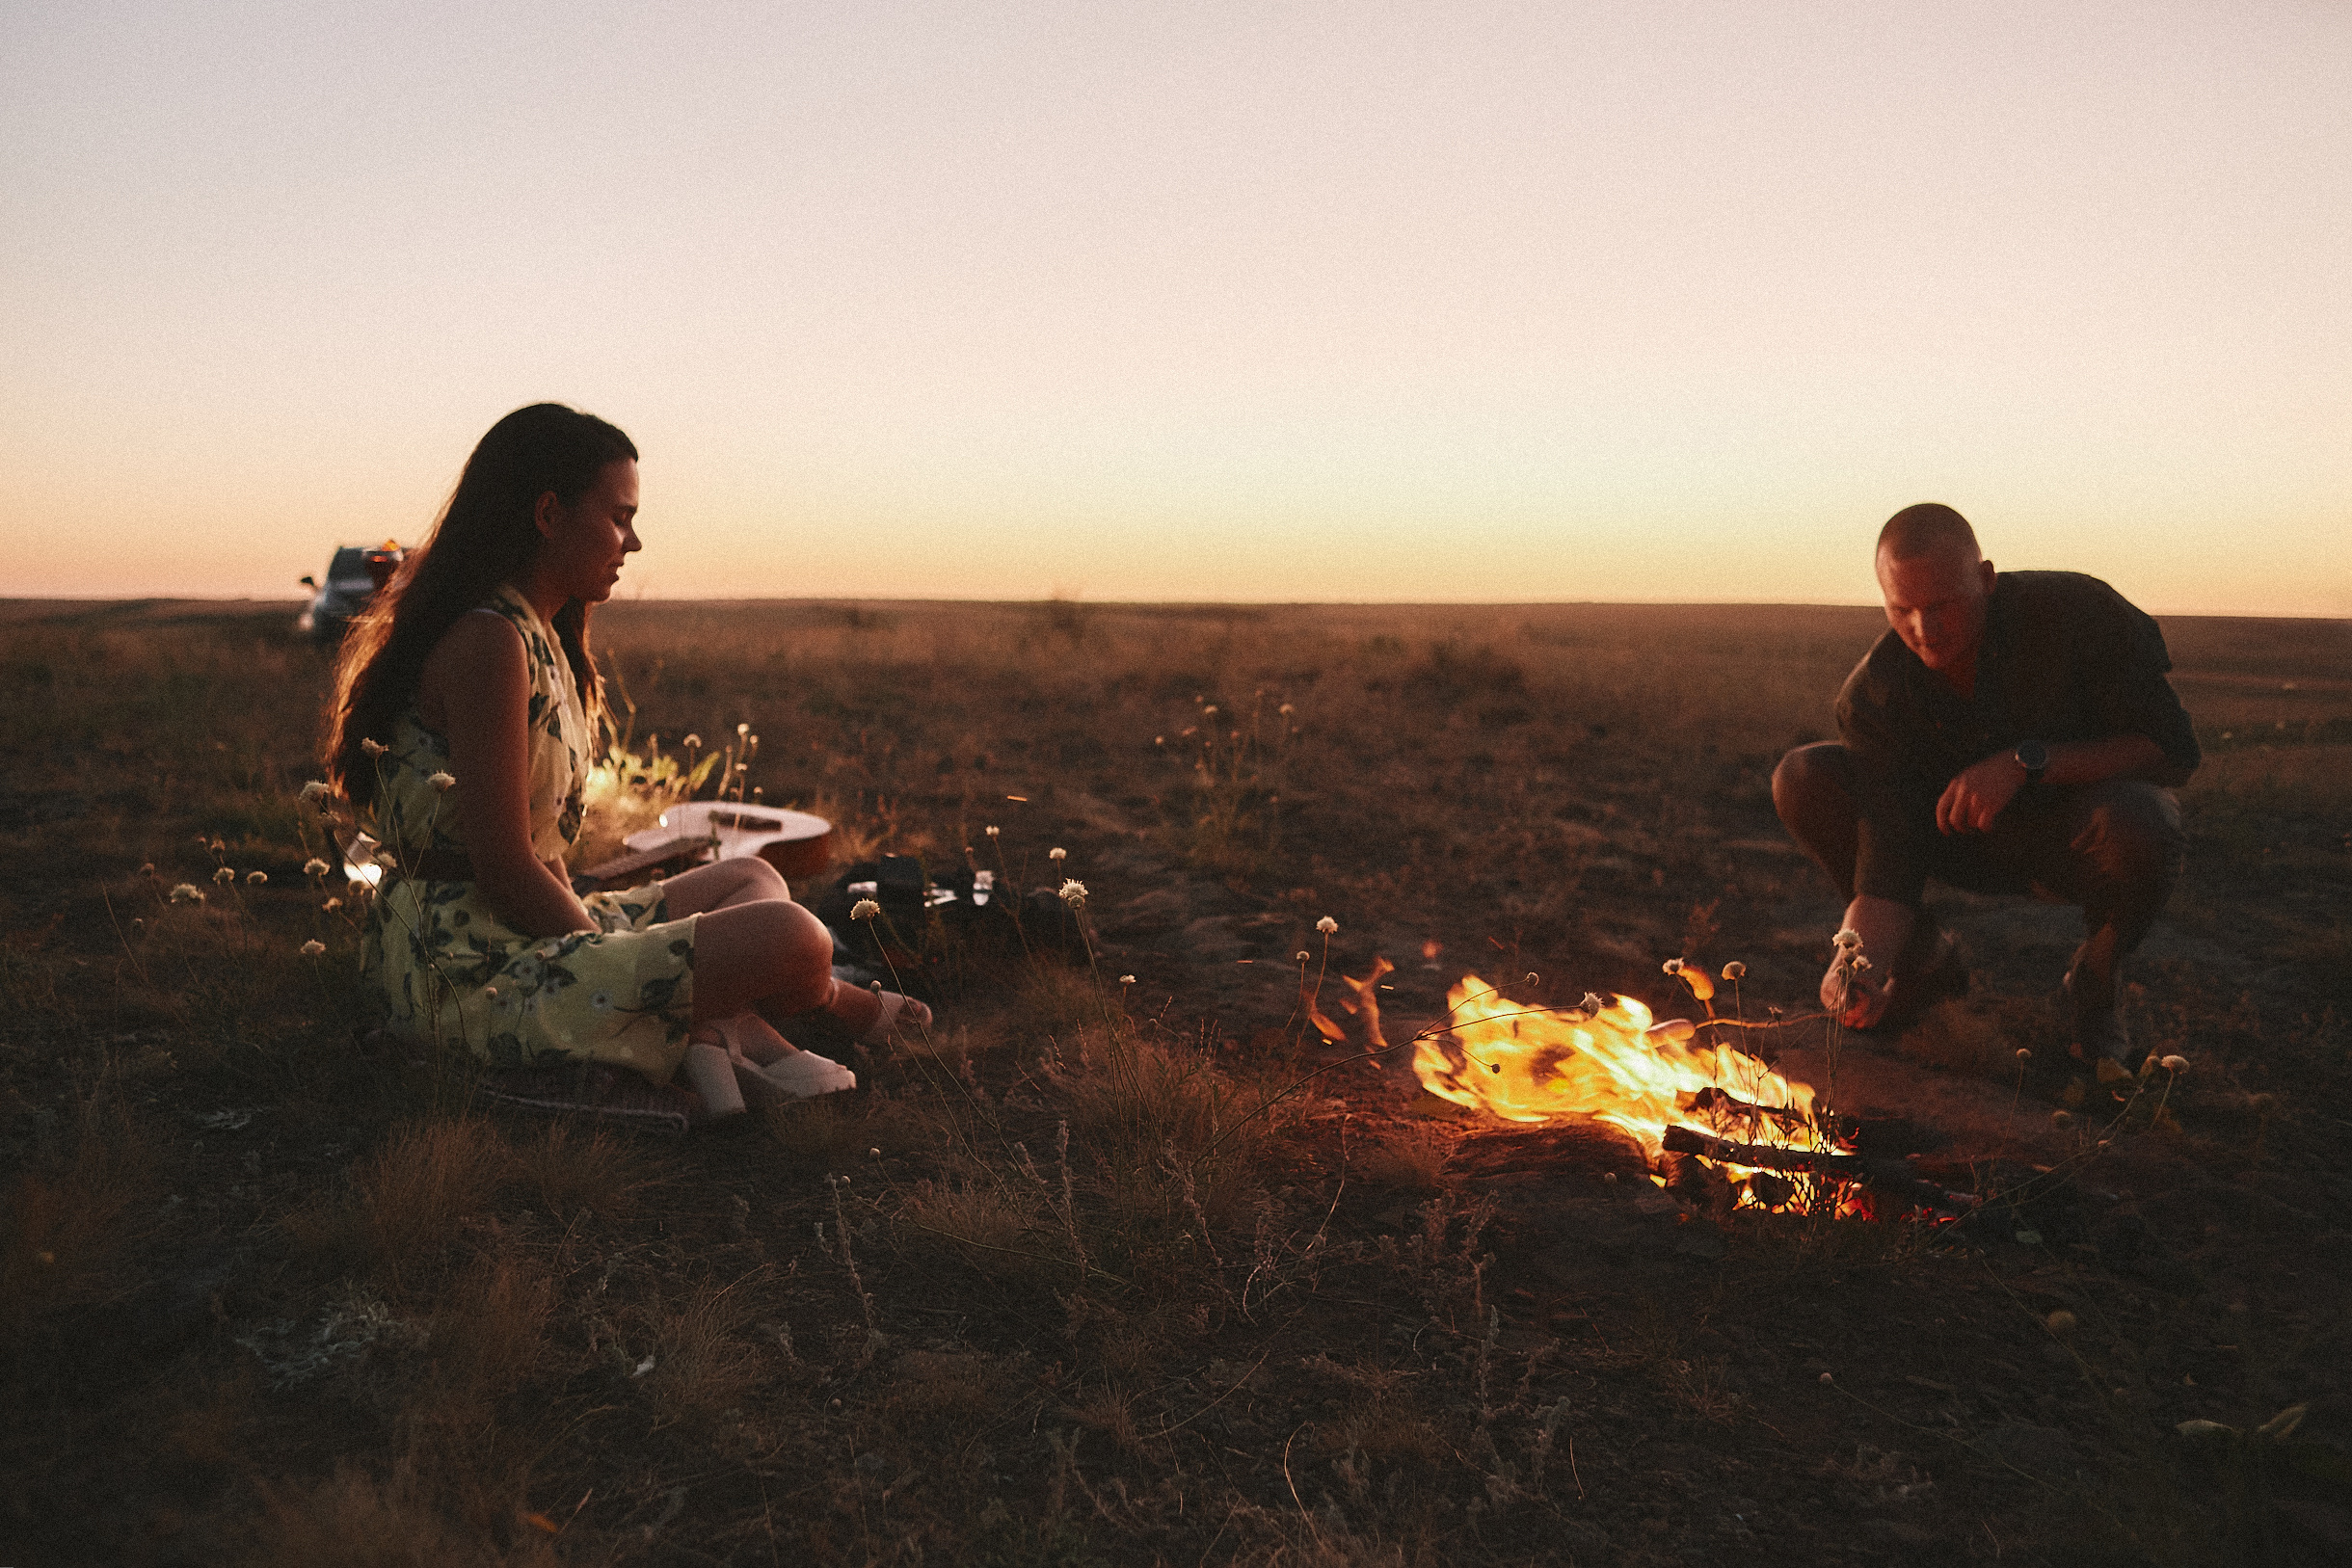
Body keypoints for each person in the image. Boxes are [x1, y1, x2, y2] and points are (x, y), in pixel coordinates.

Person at [323, 403, 927, 1116]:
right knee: (796, 935)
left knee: (755, 875)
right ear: (548, 513)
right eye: (619, 517)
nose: (632, 542)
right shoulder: (489, 642)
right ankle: (792, 1010)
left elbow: (538, 854)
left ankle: (717, 1034)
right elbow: (505, 868)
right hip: (465, 969)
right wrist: (628, 970)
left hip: (513, 927)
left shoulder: (536, 633)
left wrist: (628, 950)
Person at [1772, 503, 2196, 1083]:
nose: (1924, 630)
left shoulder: (2076, 615)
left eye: (1942, 605)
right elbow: (1888, 853)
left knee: (2145, 820)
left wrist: (2025, 763)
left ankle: (2093, 991)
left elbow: (2173, 751)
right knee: (1802, 776)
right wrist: (1858, 961)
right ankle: (1924, 964)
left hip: (2074, 838)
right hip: (1956, 844)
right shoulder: (1877, 694)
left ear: (1987, 579)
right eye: (1903, 610)